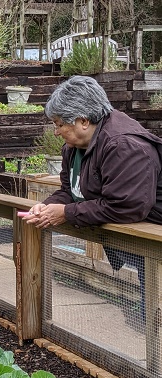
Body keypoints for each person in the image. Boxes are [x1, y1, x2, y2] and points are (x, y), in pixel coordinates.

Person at [22, 75, 162, 321]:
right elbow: (70, 191)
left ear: (83, 121)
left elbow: (126, 207)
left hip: (154, 234)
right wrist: (46, 207)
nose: (55, 132)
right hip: (139, 242)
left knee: (153, 315)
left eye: (59, 124)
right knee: (147, 316)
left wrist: (65, 213)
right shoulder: (75, 148)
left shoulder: (124, 146)